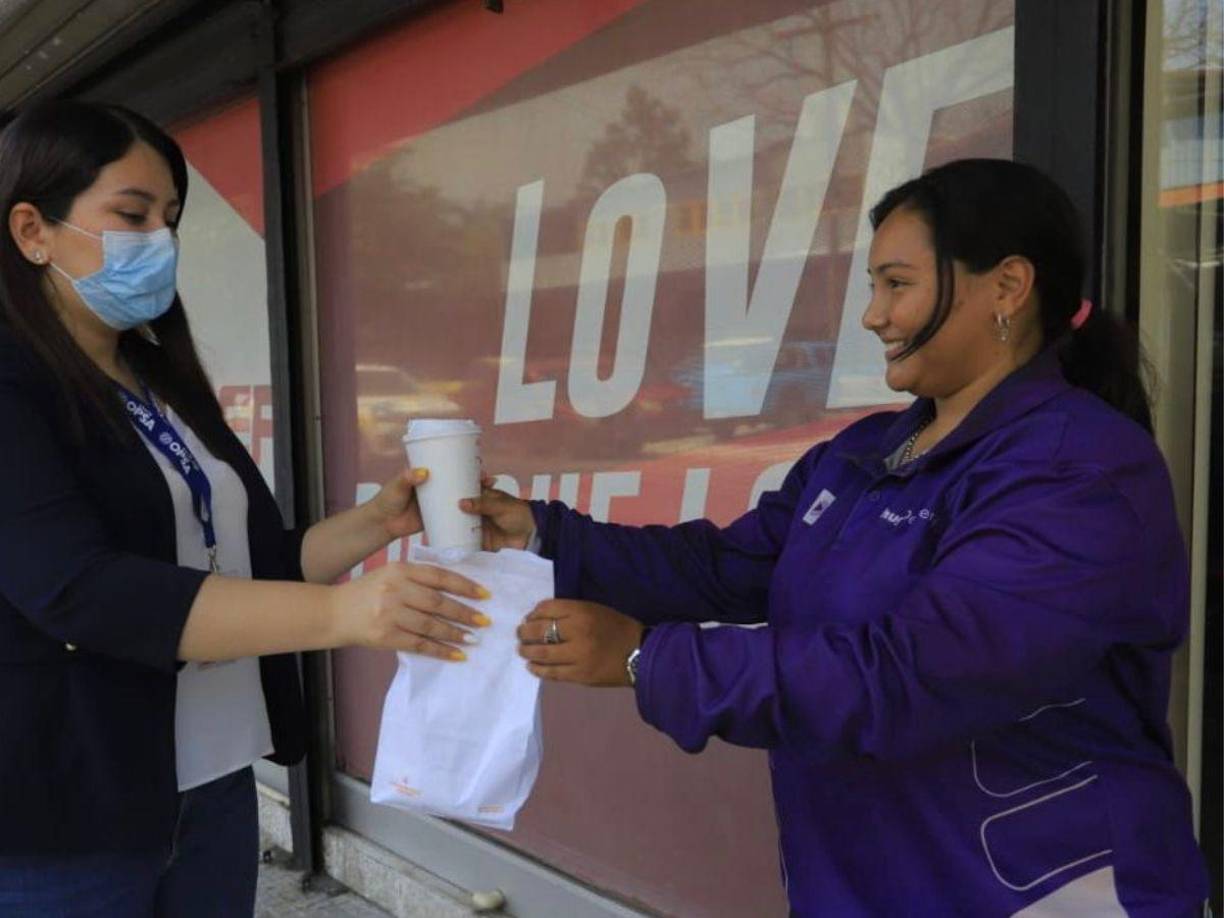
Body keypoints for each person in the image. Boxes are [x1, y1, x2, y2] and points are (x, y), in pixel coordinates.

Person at [466, 159, 1210, 915]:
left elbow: (912, 674)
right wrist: (540, 534)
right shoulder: (864, 454)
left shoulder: (1076, 470)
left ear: (1007, 288)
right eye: (873, 288)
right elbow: (726, 565)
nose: (873, 316)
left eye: (898, 284)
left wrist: (643, 657)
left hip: (1035, 893)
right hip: (863, 886)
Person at [0, 100, 489, 917]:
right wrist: (345, 615)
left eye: (171, 219)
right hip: (67, 807)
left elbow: (251, 563)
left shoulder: (159, 378)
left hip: (214, 782)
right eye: (131, 215)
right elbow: (79, 591)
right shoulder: (14, 386)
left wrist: (380, 522)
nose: (159, 241)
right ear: (31, 230)